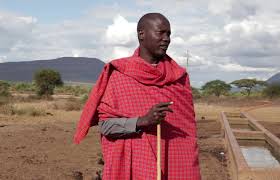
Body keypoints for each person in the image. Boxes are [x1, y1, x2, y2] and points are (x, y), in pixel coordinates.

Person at [74, 13, 200, 179]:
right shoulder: (120, 74)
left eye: (169, 34)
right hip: (135, 168)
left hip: (176, 165)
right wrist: (143, 121)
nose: (166, 39)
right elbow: (106, 127)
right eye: (160, 33)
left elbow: (188, 132)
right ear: (141, 34)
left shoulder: (179, 77)